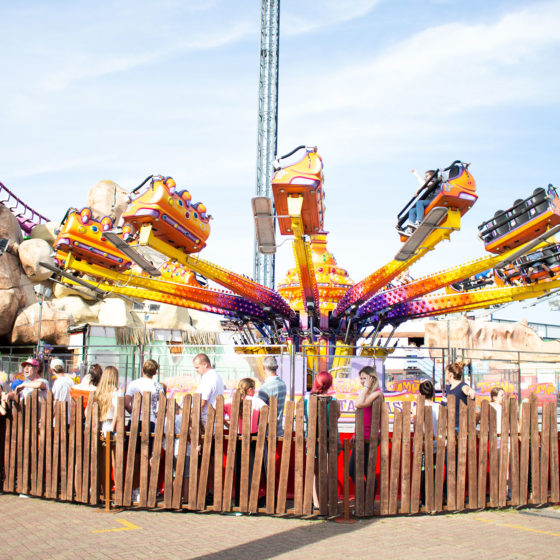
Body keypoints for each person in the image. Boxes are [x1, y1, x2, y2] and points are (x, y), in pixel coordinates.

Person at [125, 359, 164, 503]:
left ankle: (134, 489)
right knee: (149, 457)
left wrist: (134, 413)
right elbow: (161, 408)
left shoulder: (134, 384)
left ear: (142, 369)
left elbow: (126, 402)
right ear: (155, 372)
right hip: (152, 422)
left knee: (134, 457)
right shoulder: (158, 386)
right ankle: (147, 488)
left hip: (136, 422)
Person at [224, 378, 266, 507]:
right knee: (252, 471)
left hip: (236, 437)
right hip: (253, 437)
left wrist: (229, 424)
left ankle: (238, 502)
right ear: (250, 389)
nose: (255, 390)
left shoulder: (230, 402)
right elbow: (267, 414)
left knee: (238, 470)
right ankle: (252, 501)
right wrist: (260, 425)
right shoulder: (257, 401)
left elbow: (217, 413)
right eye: (254, 388)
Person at [304, 371, 340, 509]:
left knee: (315, 473)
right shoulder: (335, 401)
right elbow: (336, 417)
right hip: (331, 440)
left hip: (313, 439)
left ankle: (317, 503)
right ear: (330, 384)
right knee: (329, 471)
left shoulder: (307, 400)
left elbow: (305, 416)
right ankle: (329, 502)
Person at [349, 366, 384, 485]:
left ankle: (368, 500)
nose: (362, 381)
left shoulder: (378, 393)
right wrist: (355, 433)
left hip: (369, 437)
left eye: (364, 378)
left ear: (371, 378)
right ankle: (365, 497)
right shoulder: (367, 393)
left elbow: (358, 404)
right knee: (352, 470)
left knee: (367, 471)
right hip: (361, 436)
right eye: (361, 378)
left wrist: (366, 387)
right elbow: (361, 412)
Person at [415, 380, 440, 505]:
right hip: (436, 445)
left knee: (422, 472)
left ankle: (424, 499)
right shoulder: (439, 407)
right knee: (435, 471)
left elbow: (415, 425)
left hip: (422, 445)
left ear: (420, 393)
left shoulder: (418, 408)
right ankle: (433, 498)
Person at [256, 356, 286, 436]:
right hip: (278, 429)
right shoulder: (283, 384)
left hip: (266, 431)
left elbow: (259, 410)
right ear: (277, 367)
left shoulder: (265, 387)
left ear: (263, 368)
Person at [193, 353, 224, 426]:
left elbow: (202, 401)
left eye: (197, 367)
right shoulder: (217, 375)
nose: (196, 370)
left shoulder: (208, 378)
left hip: (206, 419)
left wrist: (195, 420)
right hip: (214, 418)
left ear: (205, 364)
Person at [444, 361, 475, 431]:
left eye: (445, 373)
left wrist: (470, 392)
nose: (444, 375)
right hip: (448, 425)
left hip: (458, 426)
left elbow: (469, 390)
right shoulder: (449, 387)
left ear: (450, 375)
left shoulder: (462, 386)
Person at [95, 366, 122, 434]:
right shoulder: (117, 392)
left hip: (98, 424)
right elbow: (117, 411)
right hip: (111, 422)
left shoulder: (98, 391)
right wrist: (112, 428)